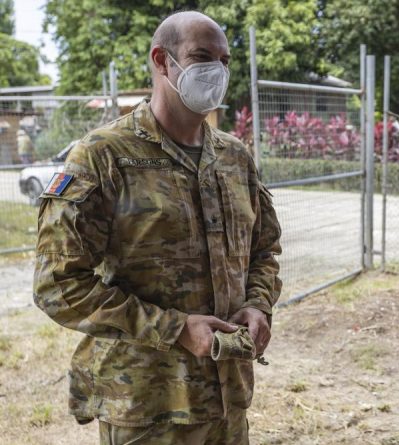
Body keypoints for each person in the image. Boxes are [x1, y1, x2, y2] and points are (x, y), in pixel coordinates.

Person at [33, 11, 282, 444]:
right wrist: (174, 327)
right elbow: (58, 285)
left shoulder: (235, 157)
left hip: (228, 399)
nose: (217, 72)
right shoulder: (103, 156)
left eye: (224, 61)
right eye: (202, 56)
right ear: (163, 61)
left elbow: (265, 251)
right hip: (147, 406)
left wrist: (258, 305)